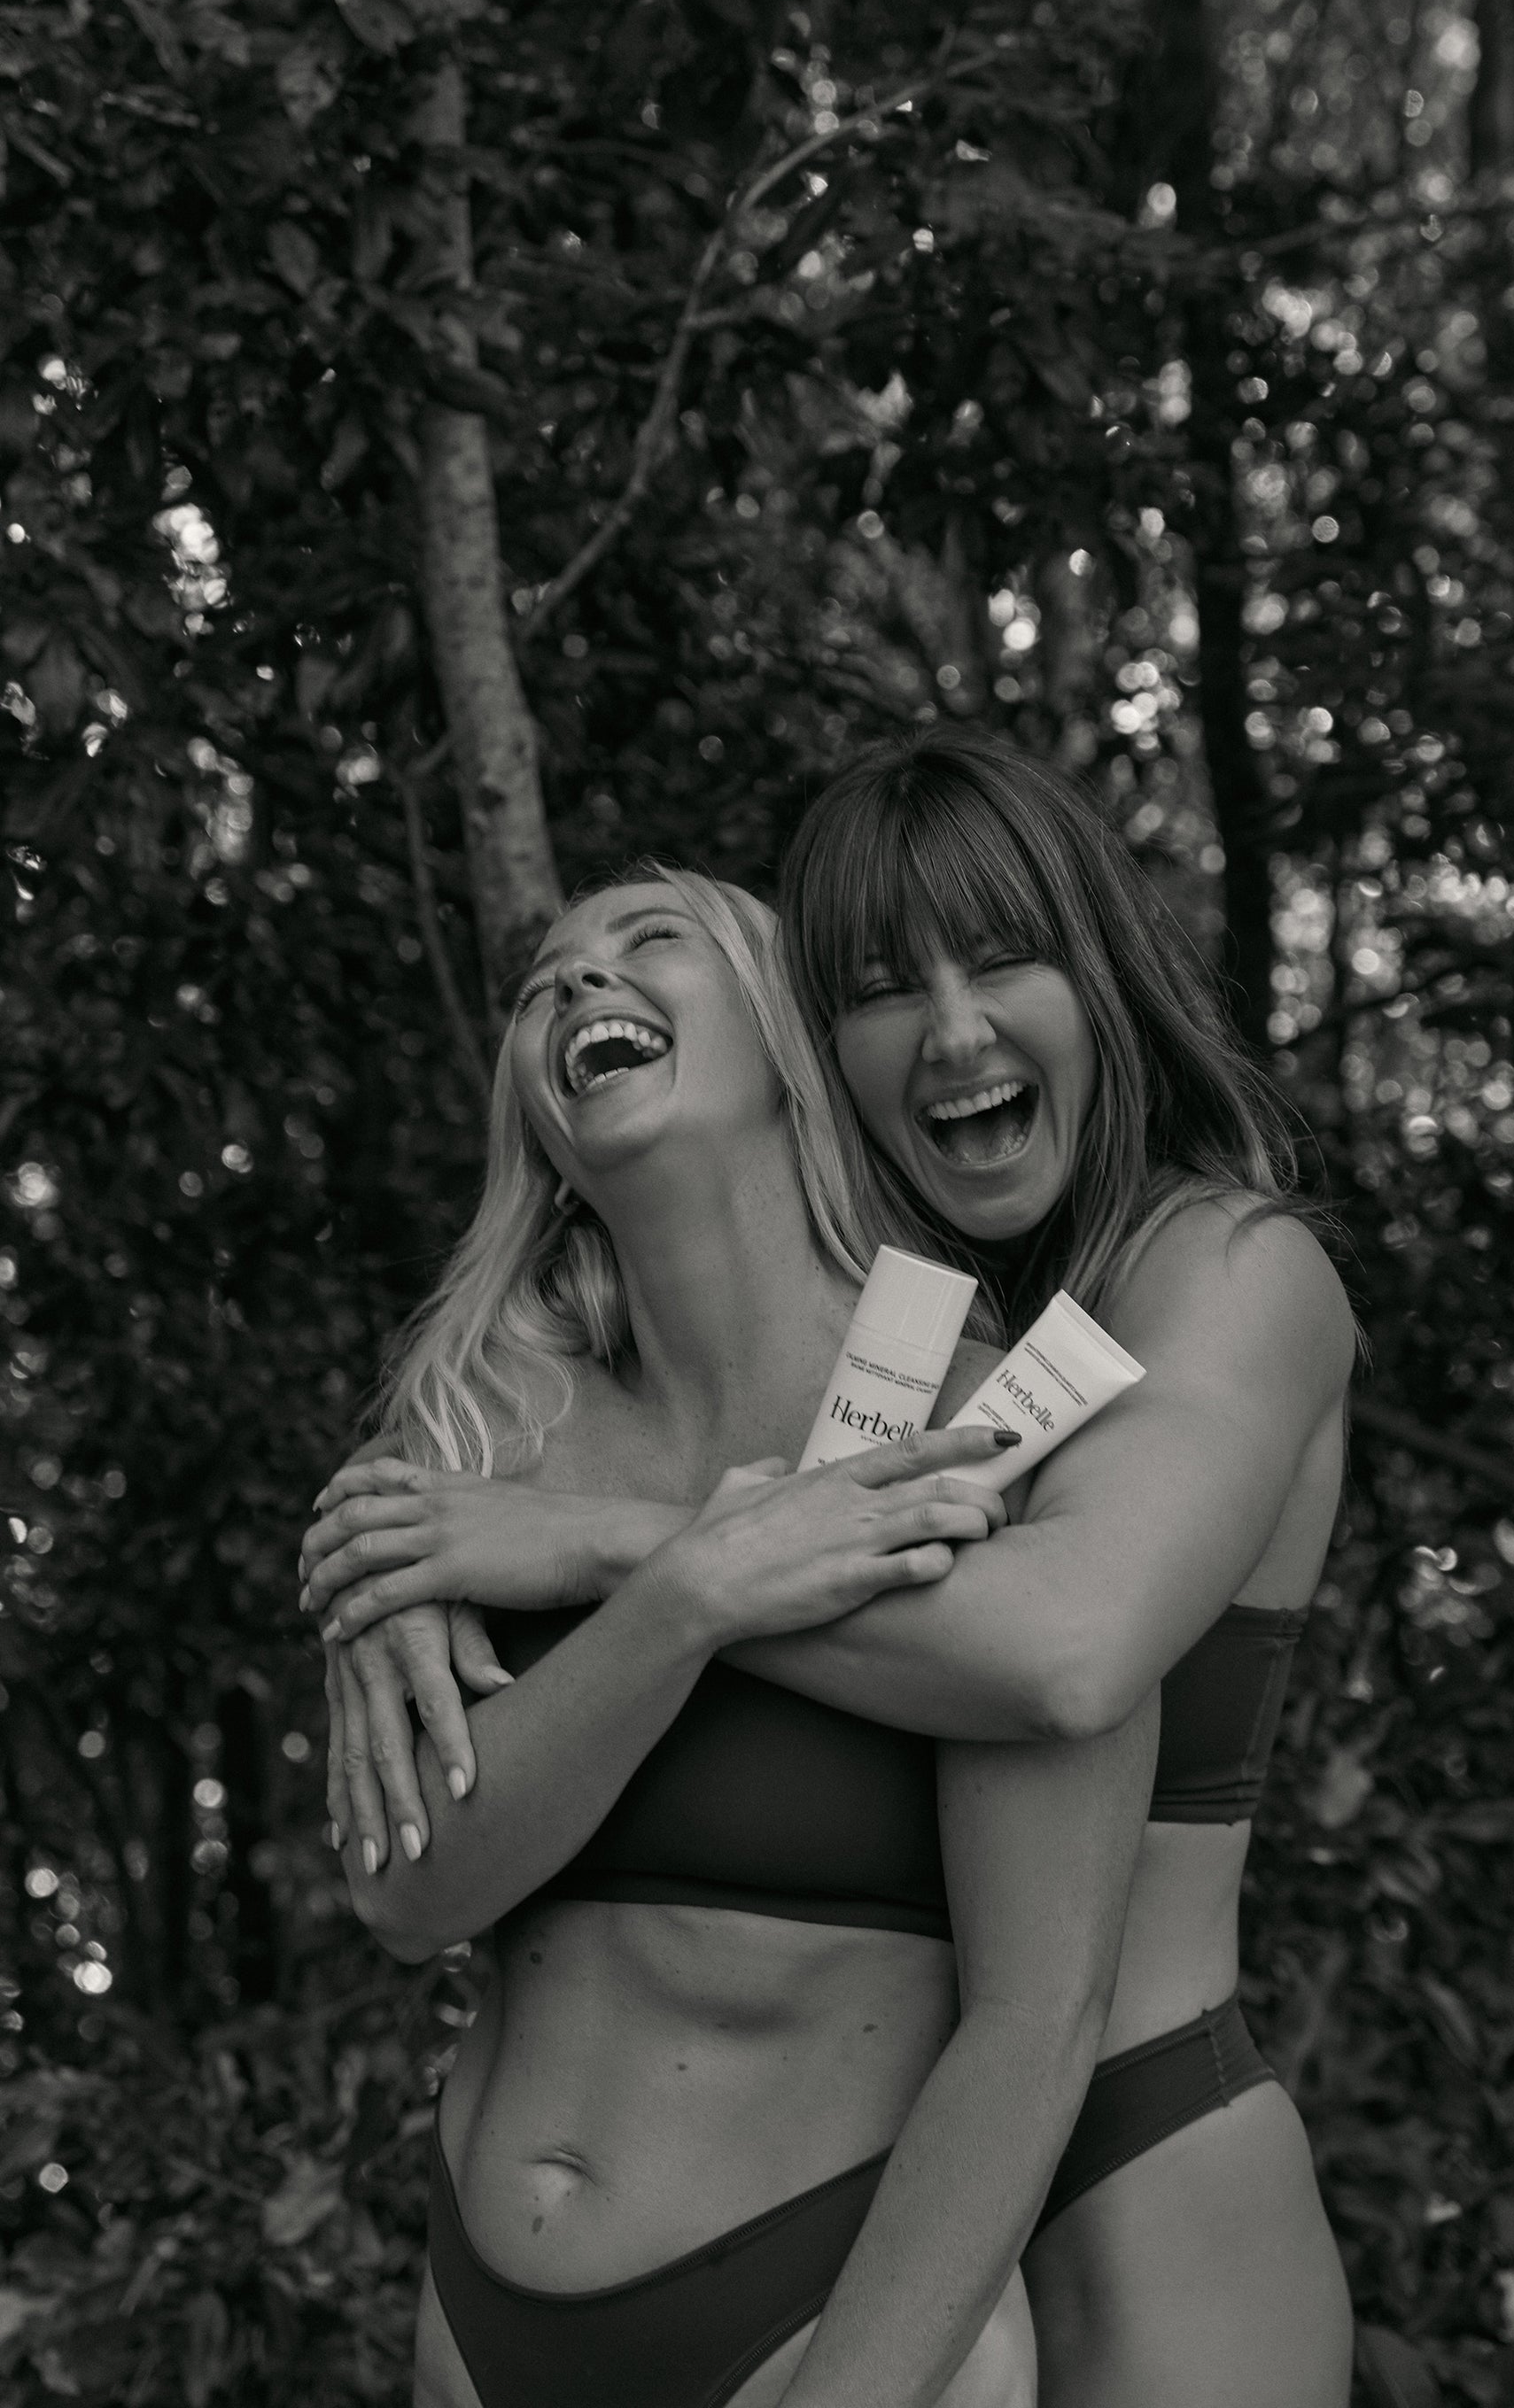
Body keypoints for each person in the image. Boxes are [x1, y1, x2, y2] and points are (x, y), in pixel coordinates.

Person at [309, 737, 1356, 2404]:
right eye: (880, 989)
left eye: (1002, 962)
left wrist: (633, 1555)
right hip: (573, 2279)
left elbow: (1071, 1653)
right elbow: (410, 1884)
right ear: (830, 1051)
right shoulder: (510, 1436)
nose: (949, 1032)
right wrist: (455, 1545)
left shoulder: (1191, 1293)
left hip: (1123, 2142)